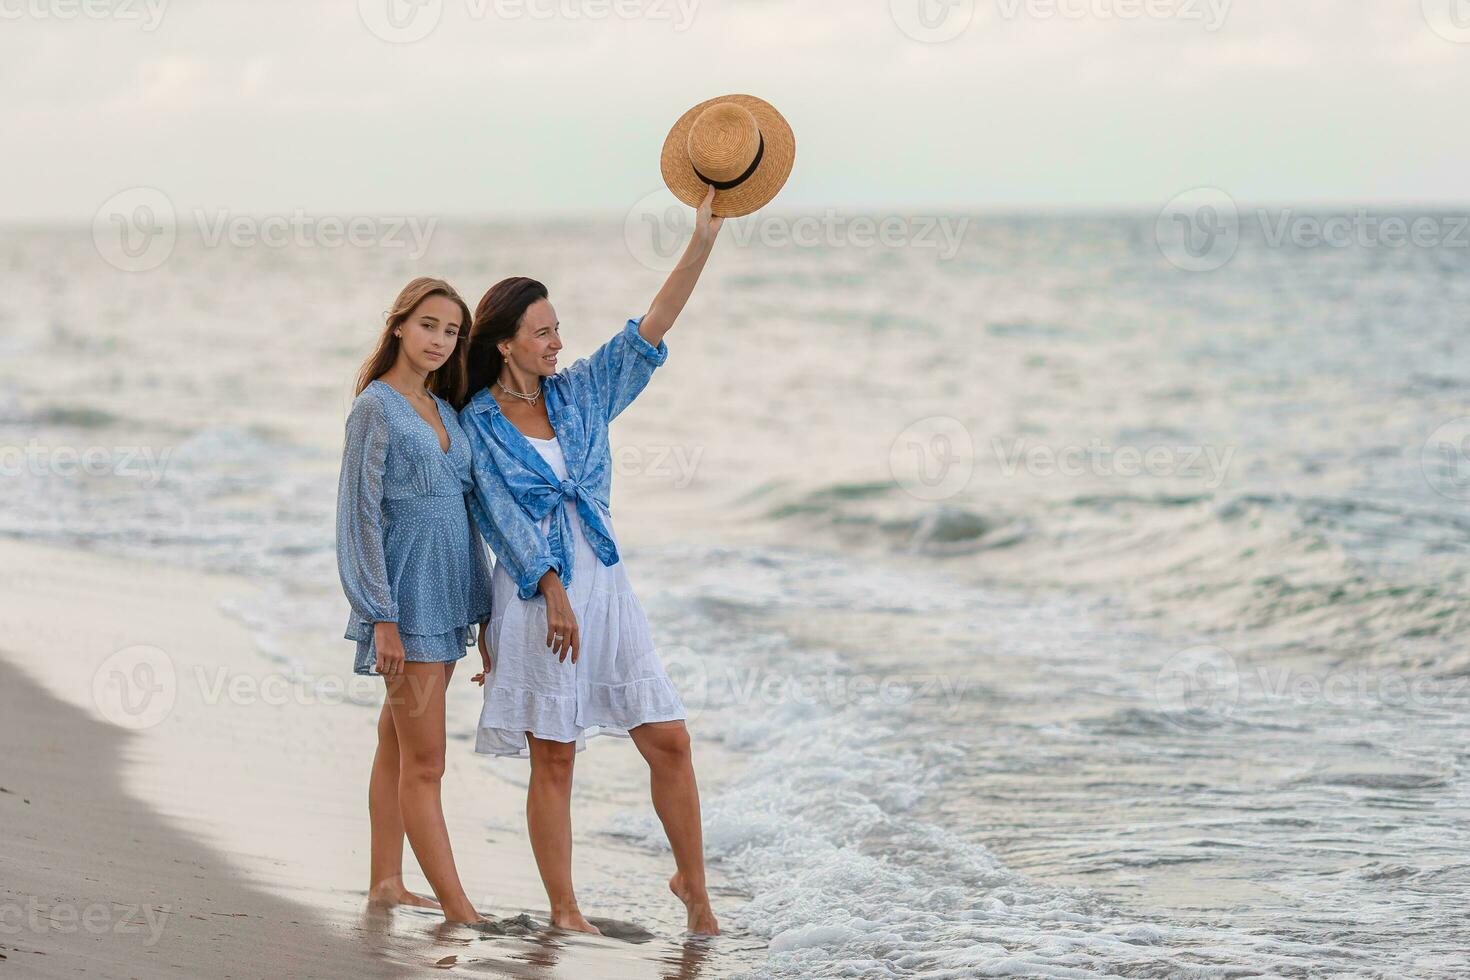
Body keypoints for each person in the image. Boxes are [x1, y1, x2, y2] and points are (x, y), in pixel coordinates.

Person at [458, 187, 724, 936]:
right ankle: (565, 910)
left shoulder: (580, 394)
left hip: (606, 586)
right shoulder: (475, 423)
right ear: (504, 343)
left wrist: (700, 242)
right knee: (557, 757)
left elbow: (652, 327)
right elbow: (498, 519)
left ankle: (695, 890)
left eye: (558, 329)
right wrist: (546, 589)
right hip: (538, 598)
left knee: (668, 737)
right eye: (541, 333)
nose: (556, 344)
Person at [336, 276, 492, 925]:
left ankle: (385, 882)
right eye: (429, 324)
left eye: (451, 330)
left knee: (396, 744)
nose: (439, 339)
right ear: (400, 325)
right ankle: (461, 911)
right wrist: (382, 617)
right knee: (426, 763)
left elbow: (466, 516)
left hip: (449, 599)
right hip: (406, 605)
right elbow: (359, 517)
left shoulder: (444, 409)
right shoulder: (376, 407)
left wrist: (485, 614)